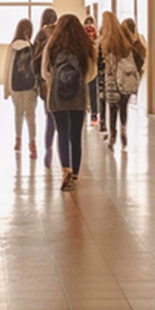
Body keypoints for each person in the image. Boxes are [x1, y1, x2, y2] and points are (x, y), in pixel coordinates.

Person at [42, 14, 98, 192]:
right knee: (75, 134)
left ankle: (65, 168)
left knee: (62, 133)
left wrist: (55, 82)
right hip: (78, 96)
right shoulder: (84, 47)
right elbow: (92, 72)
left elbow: (45, 72)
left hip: (58, 96)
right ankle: (74, 173)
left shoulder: (52, 45)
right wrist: (80, 82)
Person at [100, 11, 144, 150]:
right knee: (123, 106)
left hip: (112, 80)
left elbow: (102, 63)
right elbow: (138, 56)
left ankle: (113, 134)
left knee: (112, 108)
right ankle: (123, 129)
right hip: (124, 79)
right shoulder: (125, 42)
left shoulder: (107, 42)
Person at [3, 19, 38, 158]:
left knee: (17, 113)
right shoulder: (31, 47)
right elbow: (36, 69)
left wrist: (6, 89)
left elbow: (7, 68)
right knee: (30, 115)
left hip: (15, 86)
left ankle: (18, 140)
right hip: (29, 86)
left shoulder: (11, 47)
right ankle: (32, 142)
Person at [32, 8, 59, 166]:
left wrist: (37, 79)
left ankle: (48, 149)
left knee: (49, 117)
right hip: (62, 82)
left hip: (45, 83)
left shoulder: (41, 35)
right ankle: (63, 152)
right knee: (61, 119)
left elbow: (35, 61)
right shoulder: (61, 33)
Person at [83, 16, 101, 129]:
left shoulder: (82, 34)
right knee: (94, 91)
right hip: (94, 68)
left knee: (85, 91)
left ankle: (85, 110)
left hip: (85, 67)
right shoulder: (96, 35)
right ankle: (94, 114)